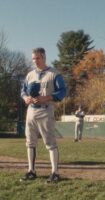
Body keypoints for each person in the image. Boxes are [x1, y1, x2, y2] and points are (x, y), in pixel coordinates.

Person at [20, 47, 67, 183]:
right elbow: (22, 91)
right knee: (30, 142)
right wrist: (25, 98)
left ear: (44, 57)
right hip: (31, 111)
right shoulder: (30, 75)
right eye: (33, 58)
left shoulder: (54, 73)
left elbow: (63, 91)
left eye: (38, 58)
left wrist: (46, 98)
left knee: (50, 143)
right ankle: (31, 171)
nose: (35, 61)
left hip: (45, 110)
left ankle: (55, 172)